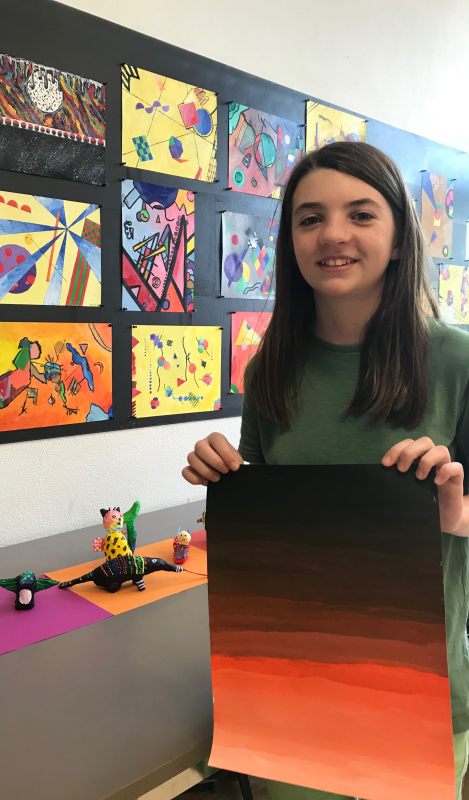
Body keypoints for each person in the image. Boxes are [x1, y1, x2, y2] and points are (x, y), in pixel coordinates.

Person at [183, 141, 469, 800]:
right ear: (290, 242)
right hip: (292, 691)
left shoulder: (456, 361)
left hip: (418, 693)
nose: (333, 234)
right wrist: (223, 482)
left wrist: (455, 513)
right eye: (310, 218)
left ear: (399, 237)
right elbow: (271, 526)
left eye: (361, 214)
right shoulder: (270, 368)